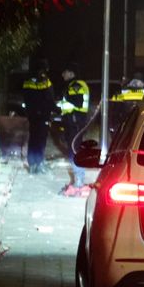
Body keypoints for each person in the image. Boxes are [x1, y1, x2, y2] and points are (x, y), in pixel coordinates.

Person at [58, 63, 90, 196]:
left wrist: (65, 95)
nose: (62, 75)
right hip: (72, 123)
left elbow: (77, 102)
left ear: (71, 74)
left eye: (65, 72)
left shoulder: (77, 85)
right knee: (73, 151)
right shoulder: (72, 86)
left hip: (76, 123)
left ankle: (79, 181)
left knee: (75, 152)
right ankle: (78, 180)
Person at [22, 59, 56, 174]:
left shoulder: (27, 81)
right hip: (43, 116)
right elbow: (50, 99)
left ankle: (32, 164)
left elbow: (27, 98)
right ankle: (39, 162)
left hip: (32, 115)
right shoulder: (45, 82)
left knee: (33, 139)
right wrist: (56, 109)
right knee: (41, 139)